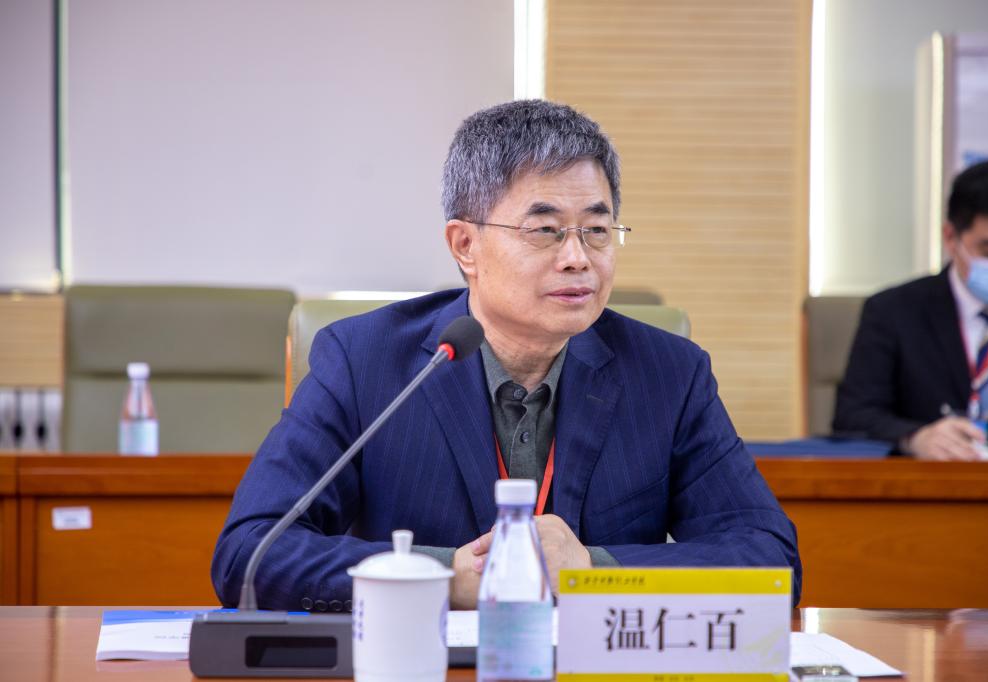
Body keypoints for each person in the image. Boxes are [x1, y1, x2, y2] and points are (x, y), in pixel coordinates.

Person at [212, 100, 801, 611]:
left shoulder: (669, 374)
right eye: (545, 231)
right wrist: (440, 578)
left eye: (597, 230)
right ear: (465, 245)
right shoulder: (364, 362)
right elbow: (250, 552)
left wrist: (592, 570)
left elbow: (769, 559)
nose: (578, 258)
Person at [834, 158, 988, 459]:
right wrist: (914, 437)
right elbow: (852, 417)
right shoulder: (892, 311)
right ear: (951, 238)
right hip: (925, 480)